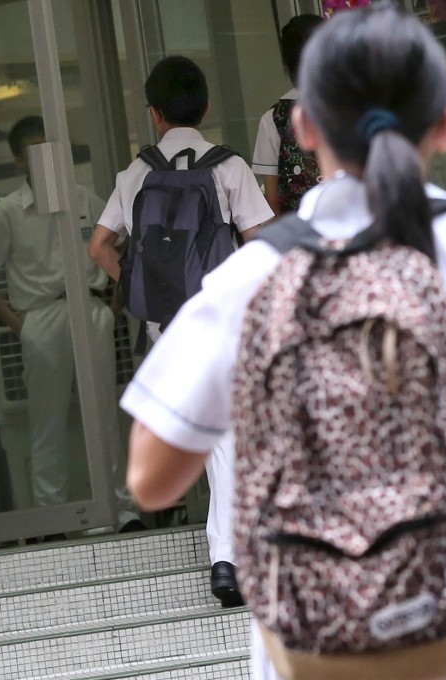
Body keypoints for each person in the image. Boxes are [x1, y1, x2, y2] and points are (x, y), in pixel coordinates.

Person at [122, 6, 446, 679]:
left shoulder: (250, 278)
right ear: (443, 124)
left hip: (316, 639)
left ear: (302, 126)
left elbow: (151, 480)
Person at [87, 56, 273, 606]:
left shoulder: (136, 172)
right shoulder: (230, 167)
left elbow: (98, 246)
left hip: (165, 320)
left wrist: (140, 284)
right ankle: (227, 558)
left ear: (154, 113)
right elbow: (261, 243)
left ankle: (230, 553)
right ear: (207, 106)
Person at [0, 115, 142, 536]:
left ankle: (120, 511)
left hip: (90, 309)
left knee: (103, 413)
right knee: (47, 421)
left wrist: (114, 303)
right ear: (18, 159)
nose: (46, 158)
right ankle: (53, 517)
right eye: (35, 150)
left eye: (51, 148)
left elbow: (121, 244)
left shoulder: (84, 199)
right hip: (41, 316)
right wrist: (18, 324)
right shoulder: (7, 211)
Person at [251, 13, 324, 215]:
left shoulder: (274, 118)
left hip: (298, 235)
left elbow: (272, 201)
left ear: (287, 65)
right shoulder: (355, 108)